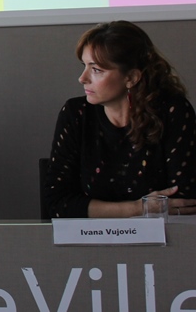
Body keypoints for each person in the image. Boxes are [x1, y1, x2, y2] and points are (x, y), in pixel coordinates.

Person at [44, 21, 196, 218]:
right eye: (84, 66)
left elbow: (184, 202)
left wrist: (97, 209)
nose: (82, 78)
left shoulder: (173, 111)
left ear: (131, 77)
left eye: (96, 70)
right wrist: (138, 208)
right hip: (90, 235)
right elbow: (56, 203)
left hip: (162, 235)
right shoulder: (76, 113)